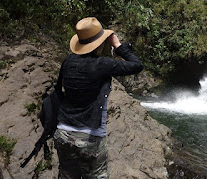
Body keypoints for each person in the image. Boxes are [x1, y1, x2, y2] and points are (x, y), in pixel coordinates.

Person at [53, 17, 143, 179]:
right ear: (101, 42)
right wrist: (118, 46)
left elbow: (59, 90)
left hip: (63, 132)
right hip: (90, 136)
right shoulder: (102, 64)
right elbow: (137, 65)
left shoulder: (68, 61)